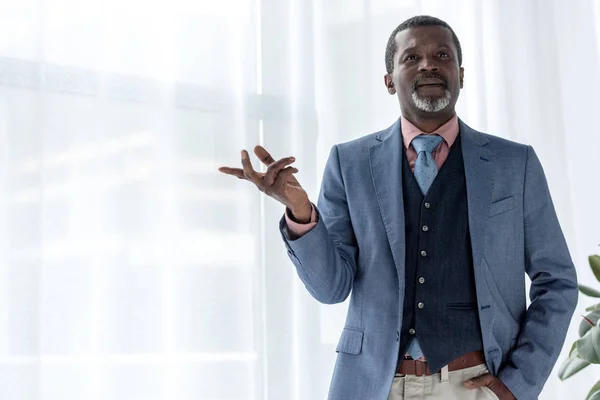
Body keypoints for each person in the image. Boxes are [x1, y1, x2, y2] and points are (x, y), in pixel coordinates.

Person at [218, 15, 578, 400]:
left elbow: (556, 281)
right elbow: (331, 288)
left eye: (442, 54)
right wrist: (302, 214)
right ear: (389, 81)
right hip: (374, 386)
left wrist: (517, 385)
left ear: (461, 74)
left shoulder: (514, 164)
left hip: (476, 384)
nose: (428, 64)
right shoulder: (349, 163)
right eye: (411, 58)